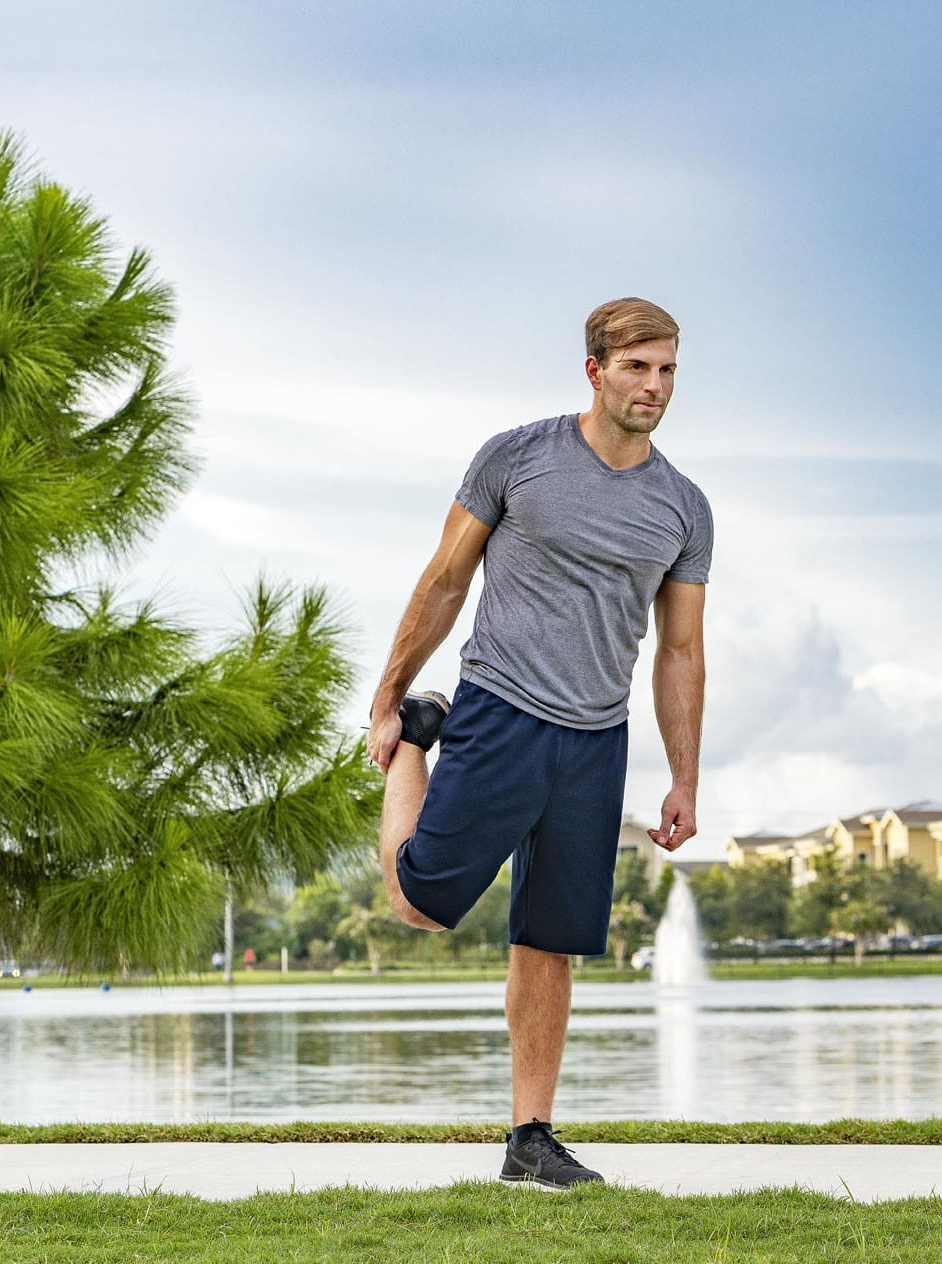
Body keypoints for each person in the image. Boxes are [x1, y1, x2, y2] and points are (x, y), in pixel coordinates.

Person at [367, 297, 711, 1188]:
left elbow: (679, 650)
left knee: (549, 939)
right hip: (501, 712)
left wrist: (685, 777)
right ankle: (417, 744)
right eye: (639, 367)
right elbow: (445, 581)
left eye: (669, 368)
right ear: (595, 371)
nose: (656, 385)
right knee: (419, 903)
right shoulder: (517, 458)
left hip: (597, 741)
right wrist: (389, 701)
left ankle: (531, 1137)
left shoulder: (683, 508)